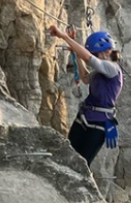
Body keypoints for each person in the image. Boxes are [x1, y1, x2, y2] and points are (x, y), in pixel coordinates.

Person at [49, 26, 122, 166]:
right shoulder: (100, 71)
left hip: (100, 122)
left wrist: (65, 37)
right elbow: (85, 78)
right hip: (85, 117)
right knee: (70, 154)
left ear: (107, 51)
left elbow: (89, 59)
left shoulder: (112, 68)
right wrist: (76, 54)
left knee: (82, 163)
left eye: (96, 53)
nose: (94, 56)